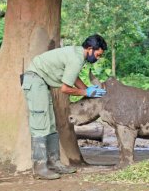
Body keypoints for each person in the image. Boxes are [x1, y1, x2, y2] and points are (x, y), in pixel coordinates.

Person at [21, 34, 108, 180]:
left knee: (51, 123)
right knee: (40, 123)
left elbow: (74, 77)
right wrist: (84, 92)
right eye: (98, 54)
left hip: (42, 82)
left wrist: (88, 90)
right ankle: (40, 167)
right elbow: (65, 89)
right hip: (35, 80)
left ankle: (54, 162)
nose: (98, 58)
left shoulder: (77, 54)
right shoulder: (76, 58)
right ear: (90, 49)